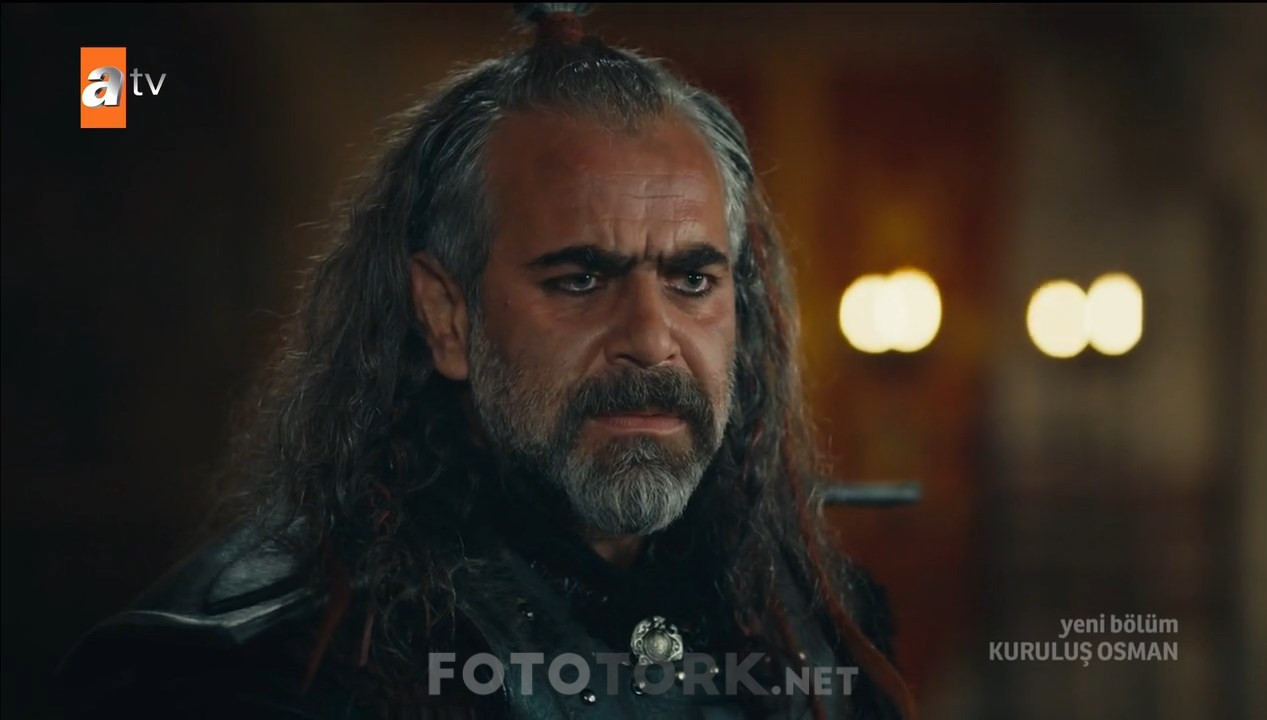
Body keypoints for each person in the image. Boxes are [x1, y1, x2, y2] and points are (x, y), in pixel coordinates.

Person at [58, 4, 916, 718]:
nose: (653, 340)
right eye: (580, 279)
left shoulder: (812, 632)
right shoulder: (261, 670)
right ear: (446, 315)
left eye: (692, 279)